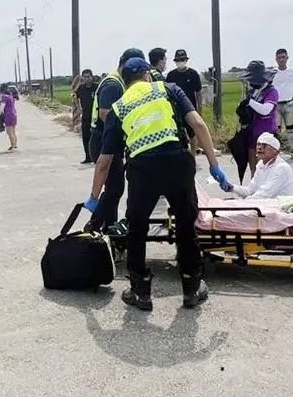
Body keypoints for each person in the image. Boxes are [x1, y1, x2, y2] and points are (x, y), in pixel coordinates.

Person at [85, 57, 229, 311]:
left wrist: (95, 197)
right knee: (186, 224)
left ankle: (141, 292)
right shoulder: (168, 89)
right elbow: (198, 124)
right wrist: (214, 164)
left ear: (125, 80)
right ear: (147, 75)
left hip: (143, 170)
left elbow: (104, 161)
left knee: (137, 228)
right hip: (177, 162)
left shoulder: (119, 107)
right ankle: (191, 288)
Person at [86, 48, 146, 235]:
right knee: (114, 188)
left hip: (107, 139)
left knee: (114, 188)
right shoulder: (113, 85)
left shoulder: (118, 82)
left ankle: (101, 225)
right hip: (104, 140)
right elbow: (105, 114)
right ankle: (102, 226)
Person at [220, 132, 293, 199]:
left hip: (278, 208)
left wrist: (242, 203)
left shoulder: (281, 168)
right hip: (265, 206)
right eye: (258, 144)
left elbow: (263, 194)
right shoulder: (260, 165)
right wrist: (232, 188)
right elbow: (250, 191)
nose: (259, 147)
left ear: (276, 152)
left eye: (264, 145)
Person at [238, 60, 279, 177]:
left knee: (265, 167)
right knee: (254, 167)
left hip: (266, 133)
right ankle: (253, 188)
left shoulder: (271, 92)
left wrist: (249, 102)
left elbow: (266, 109)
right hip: (252, 132)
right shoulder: (252, 92)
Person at [165, 49, 203, 155]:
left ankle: (193, 156)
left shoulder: (193, 74)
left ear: (186, 60)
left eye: (182, 60)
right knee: (178, 133)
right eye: (178, 60)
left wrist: (199, 109)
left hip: (190, 108)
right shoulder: (171, 75)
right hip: (176, 109)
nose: (180, 62)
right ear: (175, 62)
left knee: (192, 133)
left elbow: (199, 92)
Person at [272, 48, 293, 160]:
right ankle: (276, 152)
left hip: (288, 103)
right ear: (276, 59)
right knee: (276, 129)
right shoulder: (273, 72)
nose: (281, 60)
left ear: (287, 58)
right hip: (276, 105)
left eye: (283, 57)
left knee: (291, 128)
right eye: (279, 58)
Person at [74, 69, 97, 164]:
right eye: (84, 77)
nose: (86, 79)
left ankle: (96, 157)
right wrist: (78, 108)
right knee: (85, 137)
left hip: (95, 117)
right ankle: (88, 157)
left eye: (88, 77)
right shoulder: (81, 88)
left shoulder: (96, 87)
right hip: (86, 116)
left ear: (92, 77)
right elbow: (74, 96)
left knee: (95, 137)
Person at [0, 83, 19, 151]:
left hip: (8, 115)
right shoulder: (11, 96)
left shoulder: (4, 96)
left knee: (9, 132)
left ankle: (12, 146)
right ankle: (15, 145)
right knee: (13, 131)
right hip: (14, 114)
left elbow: (2, 107)